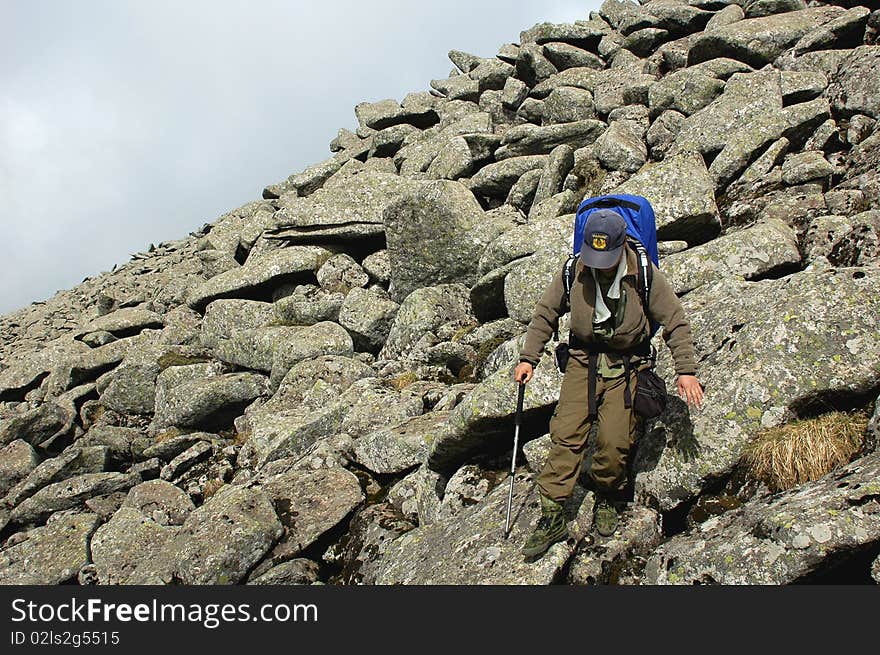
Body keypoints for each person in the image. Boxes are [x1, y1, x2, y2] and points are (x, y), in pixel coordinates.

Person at [514, 209, 704, 558]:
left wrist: (686, 370)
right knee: (566, 434)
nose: (598, 265)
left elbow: (675, 321)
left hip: (628, 364)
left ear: (621, 249)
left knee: (614, 440)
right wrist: (528, 358)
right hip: (582, 362)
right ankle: (552, 515)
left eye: (605, 258)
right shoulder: (573, 270)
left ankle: (608, 494)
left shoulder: (644, 273)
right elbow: (545, 313)